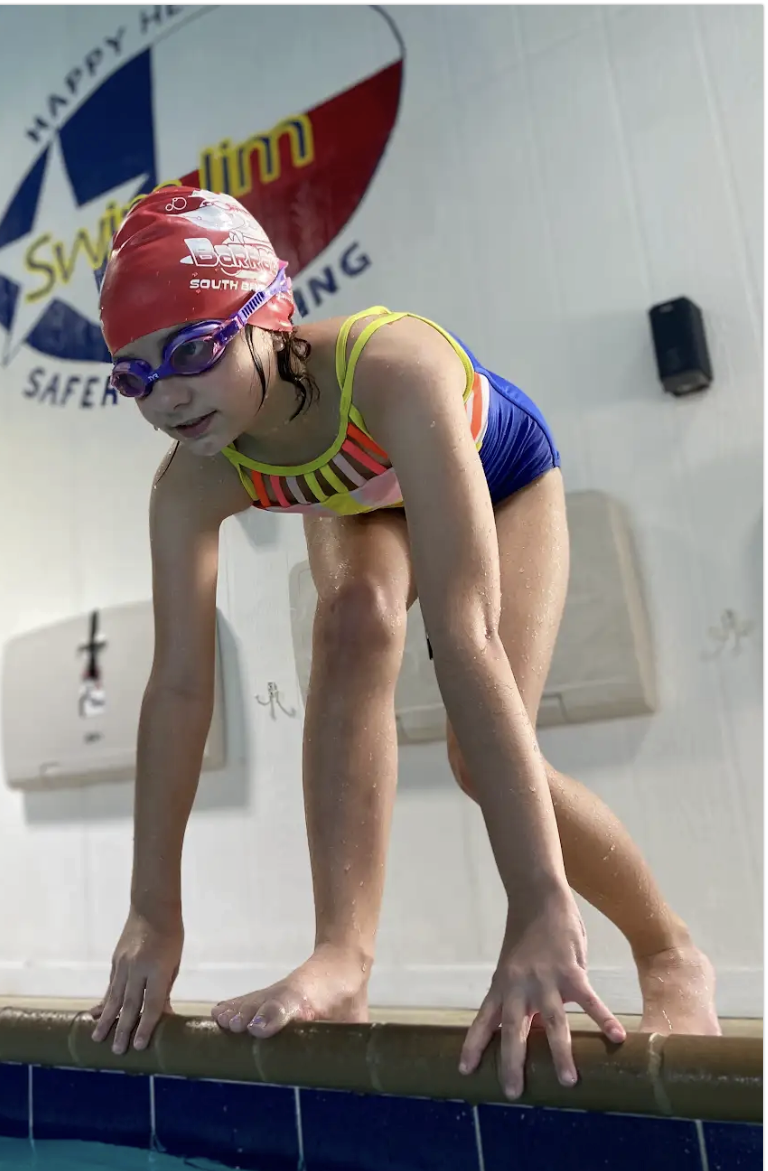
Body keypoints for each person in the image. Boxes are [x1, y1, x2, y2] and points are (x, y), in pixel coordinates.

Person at [87, 186, 719, 1100]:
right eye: (133, 376)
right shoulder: (191, 480)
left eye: (191, 349)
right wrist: (153, 912)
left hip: (499, 478)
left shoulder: (392, 369)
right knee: (351, 625)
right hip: (360, 496)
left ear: (268, 312)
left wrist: (538, 903)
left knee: (477, 751)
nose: (168, 395)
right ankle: (341, 957)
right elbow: (179, 689)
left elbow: (468, 634)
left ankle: (670, 950)